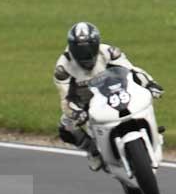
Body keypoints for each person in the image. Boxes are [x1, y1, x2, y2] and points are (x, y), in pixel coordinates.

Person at [54, 22, 163, 171]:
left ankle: (153, 131)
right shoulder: (63, 67)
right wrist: (76, 112)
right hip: (84, 100)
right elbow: (65, 98)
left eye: (88, 49)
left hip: (113, 90)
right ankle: (92, 150)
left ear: (96, 44)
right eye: (79, 51)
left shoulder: (109, 52)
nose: (84, 55)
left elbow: (132, 70)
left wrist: (150, 83)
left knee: (144, 99)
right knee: (66, 127)